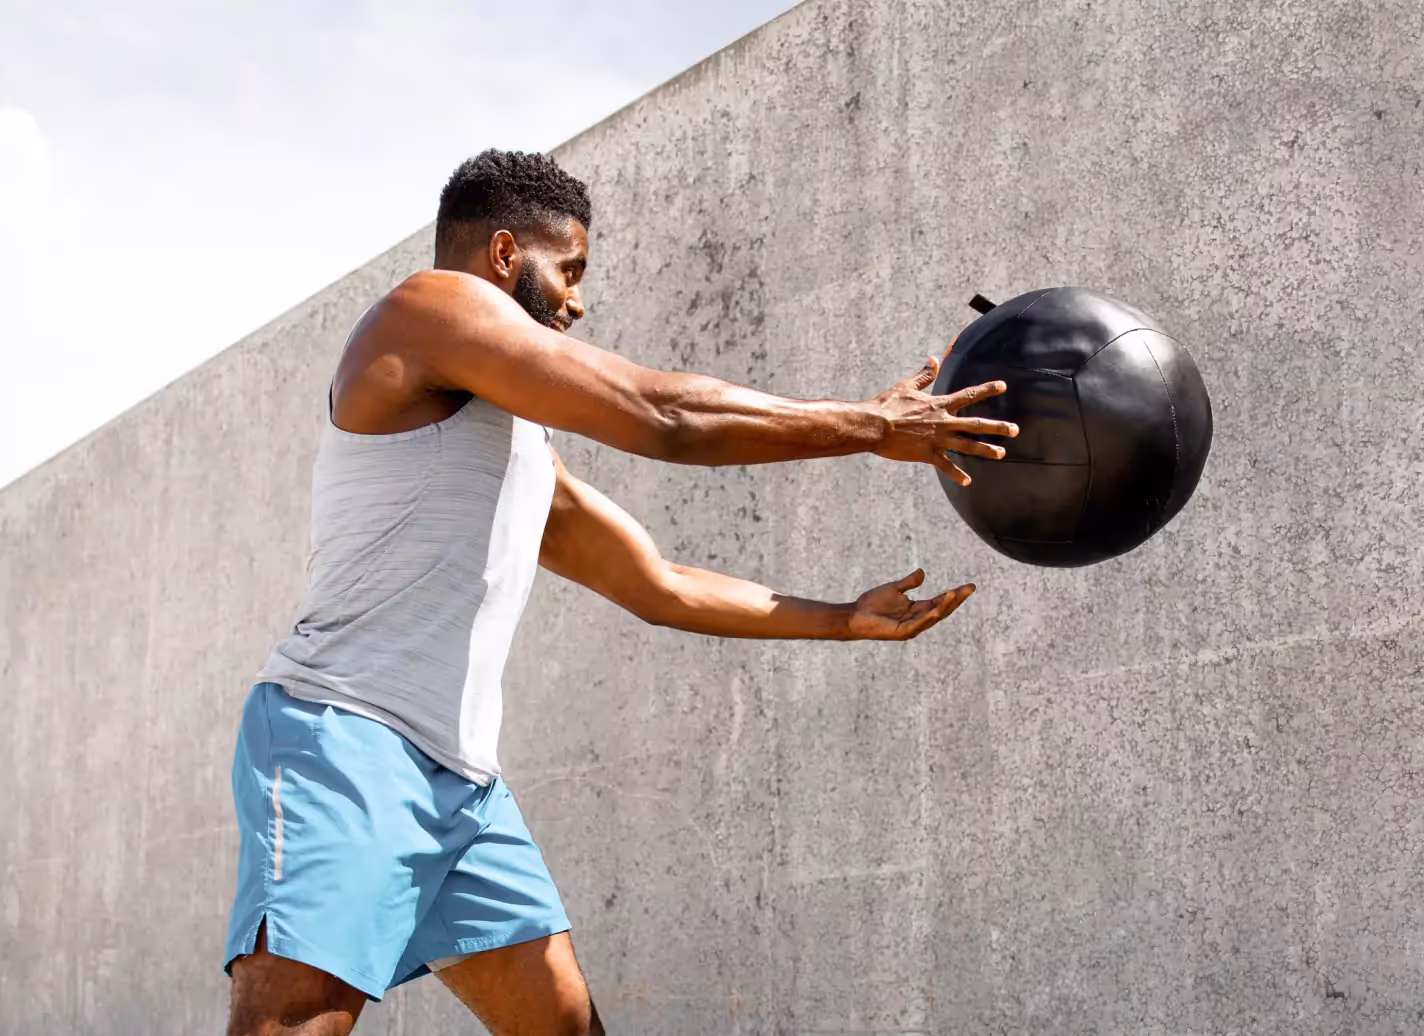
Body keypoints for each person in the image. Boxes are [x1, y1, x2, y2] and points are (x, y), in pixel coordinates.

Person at [223, 149, 1018, 1036]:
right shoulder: (427, 307)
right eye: (568, 270)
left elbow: (658, 583)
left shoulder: (515, 449)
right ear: (499, 257)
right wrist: (870, 425)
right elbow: (663, 416)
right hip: (348, 738)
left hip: (462, 785)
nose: (577, 299)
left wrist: (841, 620)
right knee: (298, 1021)